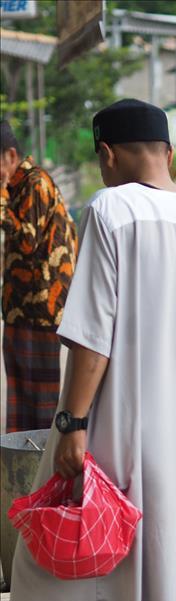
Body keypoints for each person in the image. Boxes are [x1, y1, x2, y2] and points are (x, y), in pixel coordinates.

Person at [6, 98, 176, 601]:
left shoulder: (111, 209)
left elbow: (92, 337)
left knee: (79, 575)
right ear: (168, 152)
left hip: (127, 436)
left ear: (107, 155)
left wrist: (72, 423)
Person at [0, 120, 77, 432]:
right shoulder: (14, 185)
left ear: (10, 155)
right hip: (19, 306)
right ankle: (22, 470)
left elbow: (28, 241)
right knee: (20, 394)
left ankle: (44, 471)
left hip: (42, 307)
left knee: (41, 402)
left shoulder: (36, 183)